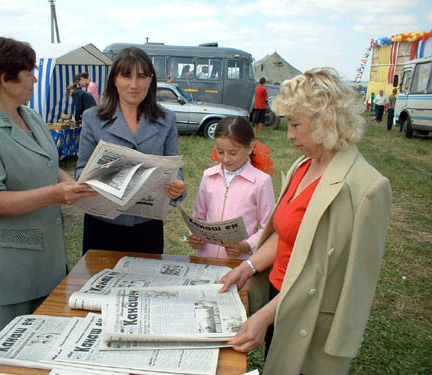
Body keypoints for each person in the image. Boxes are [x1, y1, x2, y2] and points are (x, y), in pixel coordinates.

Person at [219, 67, 392, 374]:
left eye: (296, 124)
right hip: (278, 297)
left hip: (310, 318)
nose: (289, 135)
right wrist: (247, 267)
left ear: (326, 119)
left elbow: (325, 276)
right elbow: (285, 234)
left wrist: (266, 316)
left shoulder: (366, 187)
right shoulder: (303, 165)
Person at [0, 37, 96, 350]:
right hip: (9, 265)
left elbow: (48, 165)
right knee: (6, 351)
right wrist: (56, 193)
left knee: (43, 346)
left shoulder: (29, 116)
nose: (35, 79)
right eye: (29, 72)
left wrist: (76, 184)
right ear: (6, 80)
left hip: (45, 258)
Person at [75, 47, 186, 256]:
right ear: (114, 80)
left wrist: (178, 186)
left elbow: (175, 167)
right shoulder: (92, 118)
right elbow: (80, 171)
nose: (134, 85)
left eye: (142, 76)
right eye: (126, 76)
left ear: (151, 80)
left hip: (147, 226)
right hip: (102, 225)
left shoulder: (167, 119)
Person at [189, 116, 275, 259]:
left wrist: (247, 245)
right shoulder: (208, 176)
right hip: (206, 258)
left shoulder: (261, 181)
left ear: (250, 148)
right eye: (220, 151)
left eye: (233, 153)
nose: (226, 159)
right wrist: (194, 235)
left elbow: (268, 226)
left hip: (239, 263)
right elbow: (198, 216)